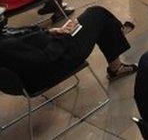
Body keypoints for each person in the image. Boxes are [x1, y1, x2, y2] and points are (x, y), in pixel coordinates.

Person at [0, 6, 137, 91]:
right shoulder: (6, 45)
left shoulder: (3, 35)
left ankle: (115, 34)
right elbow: (45, 59)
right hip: (60, 61)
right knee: (97, 13)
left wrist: (55, 31)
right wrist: (65, 36)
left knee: (98, 15)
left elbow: (27, 34)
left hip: (57, 47)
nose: (2, 14)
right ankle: (116, 34)